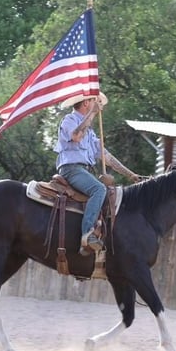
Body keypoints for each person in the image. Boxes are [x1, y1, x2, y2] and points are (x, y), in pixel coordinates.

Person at [54, 92, 141, 255]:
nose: (99, 105)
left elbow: (106, 156)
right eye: (95, 101)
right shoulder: (69, 120)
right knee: (99, 189)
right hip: (71, 169)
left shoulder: (91, 133)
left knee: (108, 194)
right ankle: (87, 235)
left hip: (82, 171)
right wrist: (93, 113)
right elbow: (77, 137)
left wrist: (130, 174)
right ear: (86, 102)